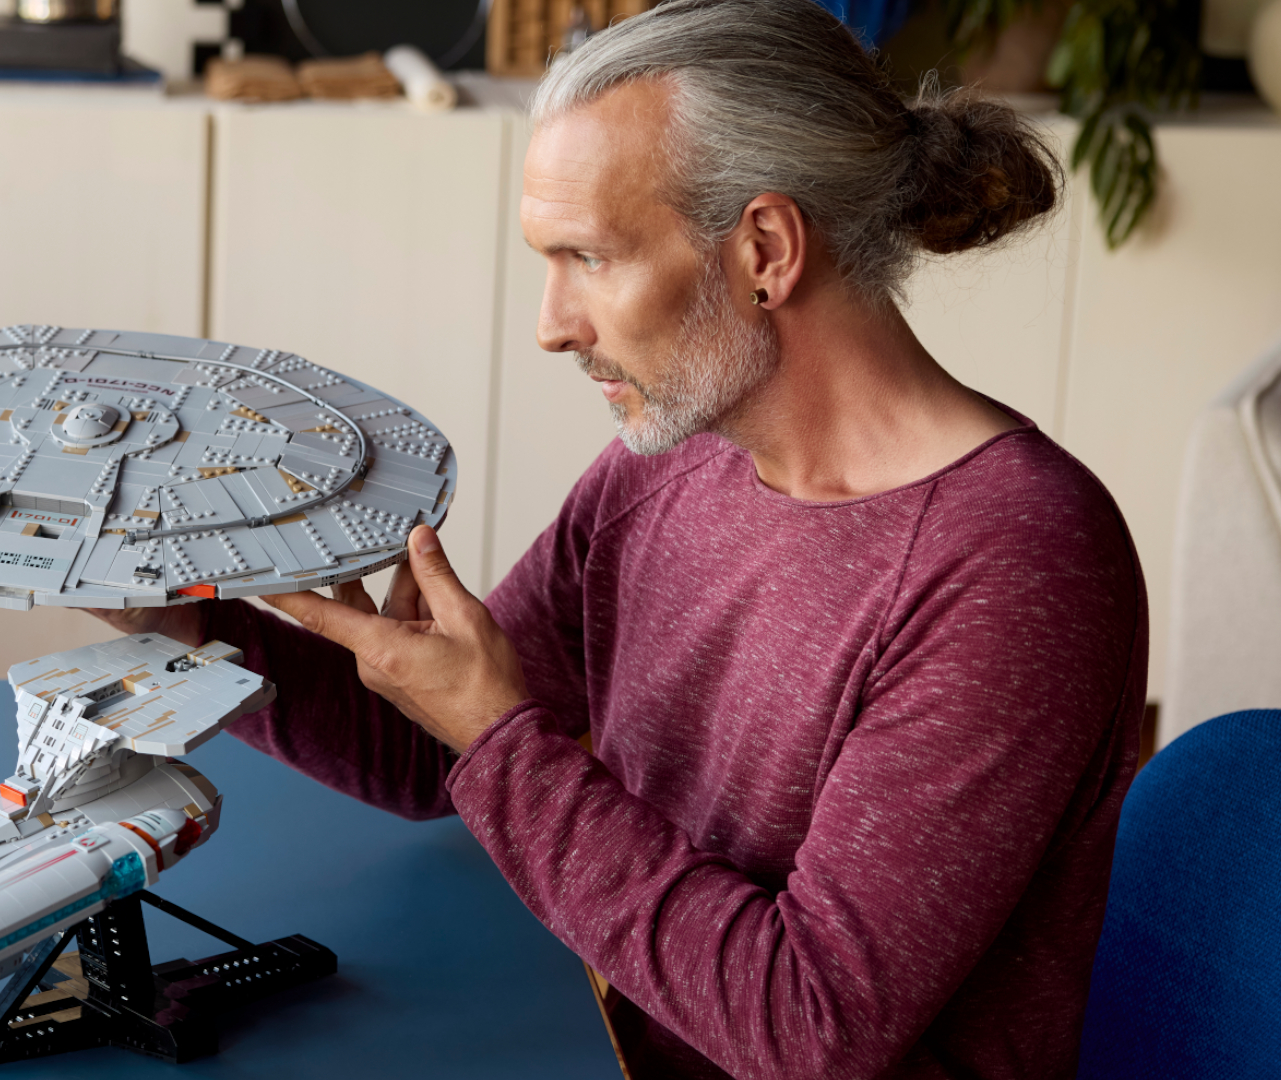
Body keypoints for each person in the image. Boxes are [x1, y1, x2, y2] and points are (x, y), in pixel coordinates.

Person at [88, 0, 1146, 1075]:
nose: (553, 324)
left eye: (588, 257)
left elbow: (810, 1026)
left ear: (766, 250)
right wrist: (183, 617)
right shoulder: (678, 462)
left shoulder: (1017, 562)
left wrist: (500, 739)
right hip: (605, 1037)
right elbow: (432, 752)